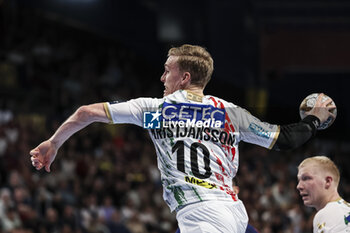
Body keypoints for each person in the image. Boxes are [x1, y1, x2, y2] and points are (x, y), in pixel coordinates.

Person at [30, 44, 335, 233]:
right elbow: (285, 139)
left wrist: (54, 142)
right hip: (233, 212)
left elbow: (86, 112)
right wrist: (315, 119)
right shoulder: (231, 113)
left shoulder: (154, 110)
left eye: (167, 71)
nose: (163, 78)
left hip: (199, 214)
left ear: (184, 77)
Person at [297, 156, 350, 233]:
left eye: (306, 178)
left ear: (327, 181)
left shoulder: (327, 214)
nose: (299, 186)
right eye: (299, 180)